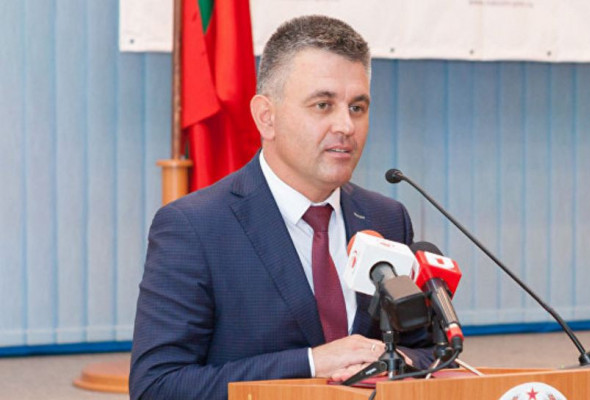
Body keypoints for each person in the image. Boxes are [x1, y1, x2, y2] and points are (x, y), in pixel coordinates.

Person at [129, 15, 434, 400]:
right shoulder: (195, 227)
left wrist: (395, 361)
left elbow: (430, 352)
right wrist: (311, 363)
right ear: (266, 117)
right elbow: (157, 386)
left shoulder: (386, 218)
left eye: (357, 107)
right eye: (323, 105)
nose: (346, 126)